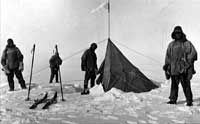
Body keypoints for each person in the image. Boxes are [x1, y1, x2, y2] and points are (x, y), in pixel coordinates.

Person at [163, 26, 197, 106]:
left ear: (181, 33)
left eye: (179, 33)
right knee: (174, 85)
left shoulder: (187, 43)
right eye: (176, 33)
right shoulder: (171, 45)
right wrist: (167, 65)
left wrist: (187, 62)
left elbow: (194, 53)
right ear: (174, 34)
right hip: (174, 69)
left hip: (184, 68)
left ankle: (189, 101)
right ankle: (172, 99)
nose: (177, 34)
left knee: (186, 85)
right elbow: (168, 56)